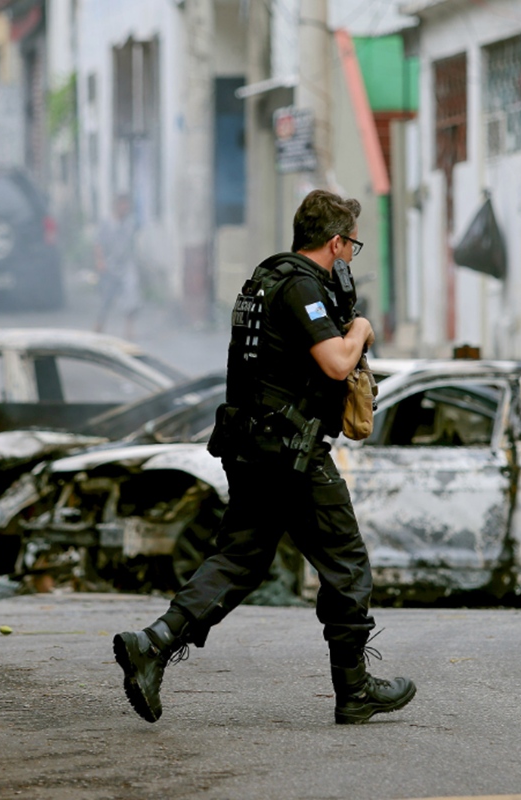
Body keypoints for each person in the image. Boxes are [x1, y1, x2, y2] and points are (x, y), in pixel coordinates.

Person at [112, 189, 416, 725]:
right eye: (351, 247)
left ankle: (152, 644)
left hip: (253, 447)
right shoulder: (301, 288)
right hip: (290, 455)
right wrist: (362, 328)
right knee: (347, 565)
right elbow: (337, 362)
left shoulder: (263, 280)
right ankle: (354, 690)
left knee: (238, 560)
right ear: (337, 241)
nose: (350, 258)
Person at [93, 194, 141, 340]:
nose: (125, 208)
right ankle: (99, 326)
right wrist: (100, 261)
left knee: (131, 295)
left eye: (127, 205)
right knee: (106, 298)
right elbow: (98, 243)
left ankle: (129, 329)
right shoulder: (107, 222)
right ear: (116, 205)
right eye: (122, 205)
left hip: (126, 265)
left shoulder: (130, 223)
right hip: (110, 265)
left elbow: (133, 243)